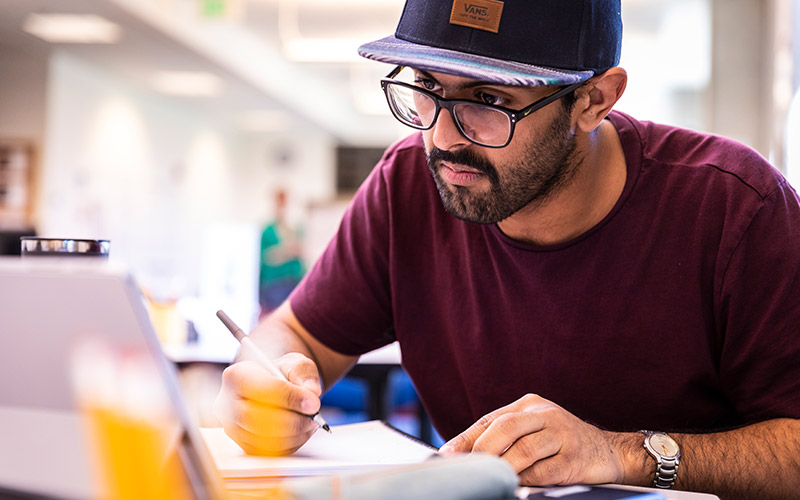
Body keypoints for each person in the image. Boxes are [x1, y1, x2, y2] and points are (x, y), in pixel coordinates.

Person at [213, 1, 800, 498]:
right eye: (426, 89)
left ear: (595, 99)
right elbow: (295, 334)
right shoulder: (405, 189)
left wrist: (625, 455)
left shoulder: (734, 208)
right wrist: (263, 380)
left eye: (487, 100)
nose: (441, 139)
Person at [257, 189, 305, 318]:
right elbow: (265, 257)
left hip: (295, 284)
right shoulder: (268, 231)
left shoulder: (296, 230)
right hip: (274, 286)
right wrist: (286, 251)